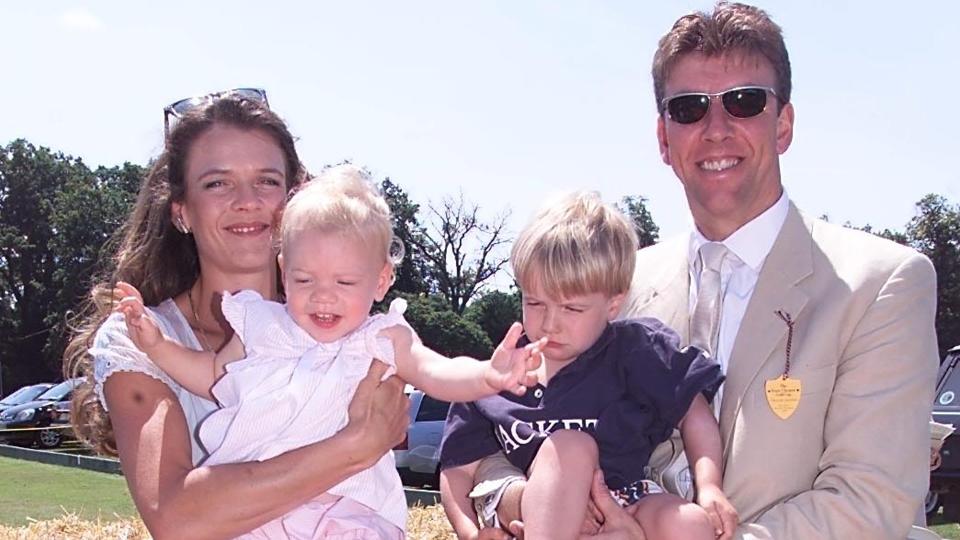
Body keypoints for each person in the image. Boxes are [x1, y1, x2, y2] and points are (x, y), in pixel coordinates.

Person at [469, 3, 939, 539]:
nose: (716, 129)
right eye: (690, 108)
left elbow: (870, 502)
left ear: (783, 124)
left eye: (744, 102)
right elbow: (504, 431)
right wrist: (515, 504)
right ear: (664, 138)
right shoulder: (610, 290)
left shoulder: (882, 285)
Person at [109, 164, 544, 538]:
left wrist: (489, 375)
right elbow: (211, 376)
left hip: (347, 510)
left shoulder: (383, 338)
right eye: (305, 280)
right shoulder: (262, 326)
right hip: (258, 507)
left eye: (344, 283)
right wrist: (158, 345)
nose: (323, 297)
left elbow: (437, 371)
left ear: (381, 280)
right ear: (283, 269)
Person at [62, 90, 412, 540]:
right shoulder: (137, 341)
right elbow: (178, 518)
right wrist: (354, 447)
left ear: (295, 199)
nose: (247, 201)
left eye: (266, 181)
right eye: (217, 183)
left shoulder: (352, 329)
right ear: (181, 211)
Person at [438, 191, 735, 540]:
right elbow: (457, 468)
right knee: (570, 447)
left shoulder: (635, 350)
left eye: (571, 309)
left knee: (688, 524)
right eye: (535, 302)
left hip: (624, 495)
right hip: (532, 506)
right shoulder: (495, 376)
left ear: (613, 304)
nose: (550, 323)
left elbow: (694, 412)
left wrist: (710, 485)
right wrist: (469, 532)